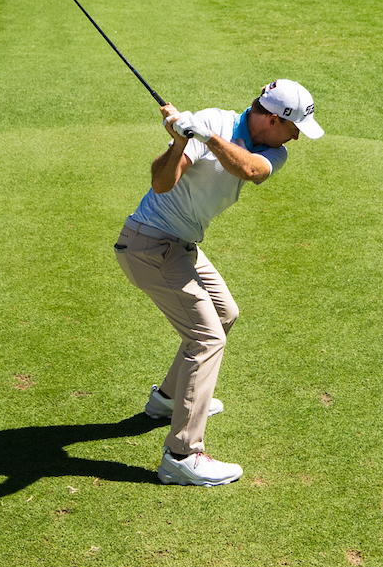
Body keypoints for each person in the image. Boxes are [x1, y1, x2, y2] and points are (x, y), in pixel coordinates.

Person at [114, 78, 323, 487]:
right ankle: (182, 455)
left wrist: (205, 137)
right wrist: (179, 140)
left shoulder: (270, 151)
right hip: (149, 245)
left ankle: (167, 401)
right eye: (294, 126)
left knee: (226, 314)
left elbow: (249, 169)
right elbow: (160, 183)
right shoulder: (212, 120)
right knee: (206, 339)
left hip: (181, 245)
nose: (297, 137)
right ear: (273, 119)